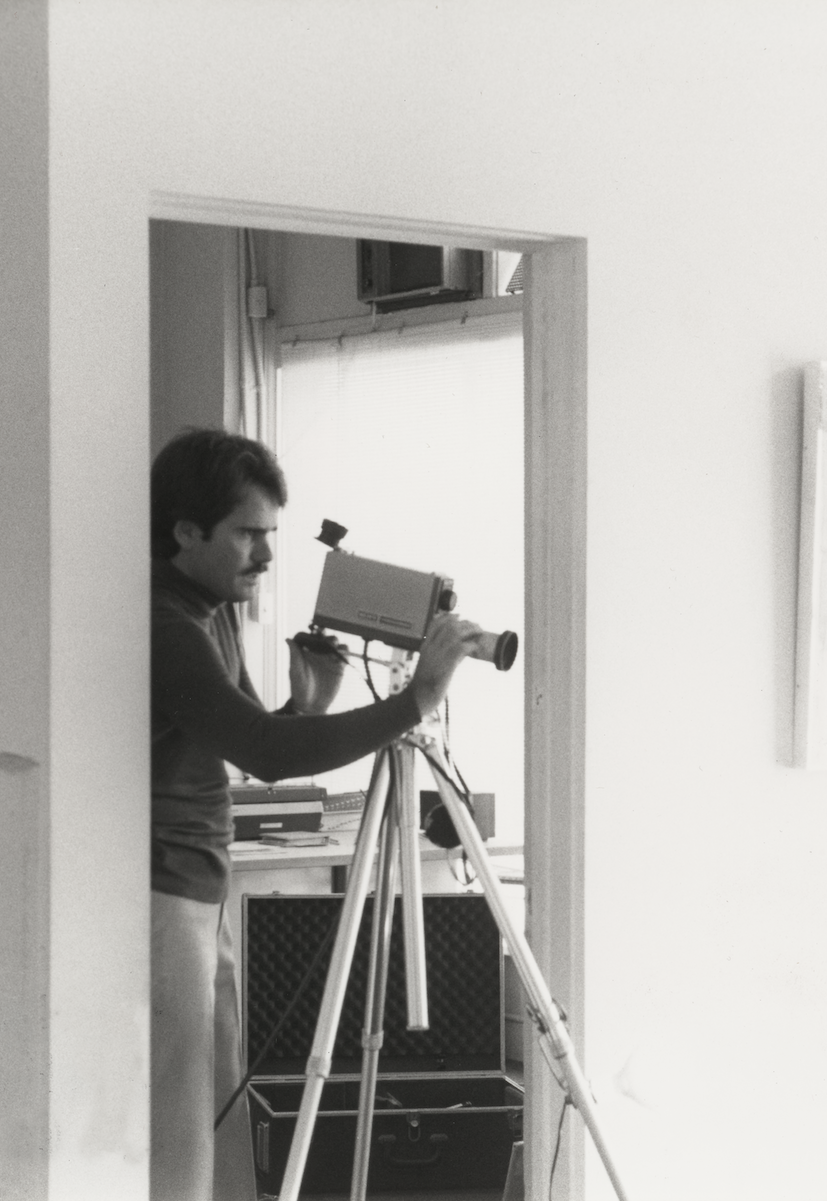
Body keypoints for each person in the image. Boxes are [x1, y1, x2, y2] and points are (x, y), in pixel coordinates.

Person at [149, 427, 481, 1201]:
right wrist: (414, 701)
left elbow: (227, 734)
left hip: (197, 890)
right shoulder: (167, 623)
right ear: (185, 531)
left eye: (270, 534)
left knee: (214, 1098)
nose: (266, 556)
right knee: (182, 1116)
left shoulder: (210, 606)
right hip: (166, 895)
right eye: (248, 535)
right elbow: (262, 749)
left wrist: (307, 704)